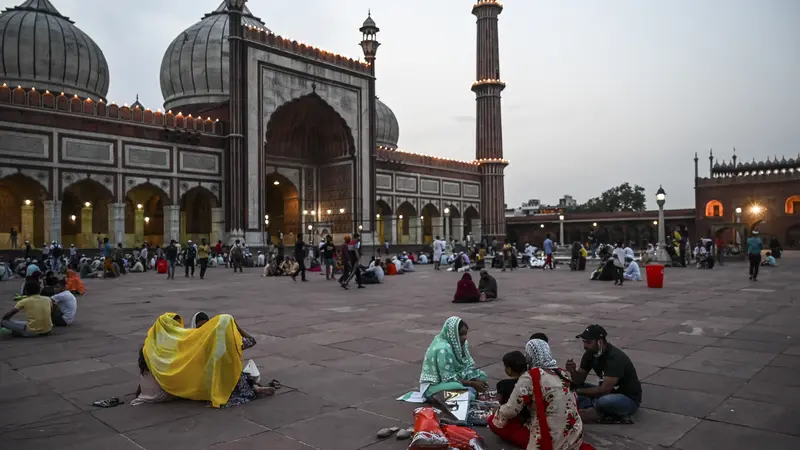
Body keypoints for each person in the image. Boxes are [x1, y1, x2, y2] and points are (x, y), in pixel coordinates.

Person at [491, 339, 586, 450]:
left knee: (495, 421)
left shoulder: (530, 376)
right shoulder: (562, 373)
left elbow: (510, 411)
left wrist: (497, 412)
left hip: (550, 440)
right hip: (574, 436)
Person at [567, 325, 641, 424]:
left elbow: (604, 390)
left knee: (604, 401)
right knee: (570, 386)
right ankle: (593, 408)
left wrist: (577, 392)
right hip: (607, 393)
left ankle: (596, 411)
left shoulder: (614, 358)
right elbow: (579, 381)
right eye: (584, 342)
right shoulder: (590, 354)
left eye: (588, 342)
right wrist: (572, 371)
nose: (585, 346)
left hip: (627, 398)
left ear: (600, 341)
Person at [419, 316, 487, 398]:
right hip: (435, 385)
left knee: (482, 376)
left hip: (456, 378)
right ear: (452, 334)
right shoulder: (443, 349)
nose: (465, 337)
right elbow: (448, 379)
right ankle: (435, 396)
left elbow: (465, 368)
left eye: (466, 334)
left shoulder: (460, 343)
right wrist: (472, 383)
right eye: (461, 334)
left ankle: (467, 390)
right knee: (458, 388)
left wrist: (474, 379)